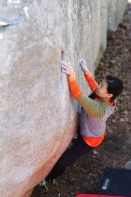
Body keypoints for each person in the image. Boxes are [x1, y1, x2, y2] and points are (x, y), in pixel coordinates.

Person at [40, 59, 123, 187]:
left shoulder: (99, 110)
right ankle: (76, 136)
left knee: (63, 162)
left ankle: (49, 179)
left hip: (89, 140)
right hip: (89, 128)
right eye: (101, 83)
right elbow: (95, 88)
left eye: (102, 86)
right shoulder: (108, 98)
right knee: (94, 95)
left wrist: (72, 75)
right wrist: (86, 71)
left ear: (109, 94)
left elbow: (77, 95)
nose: (99, 86)